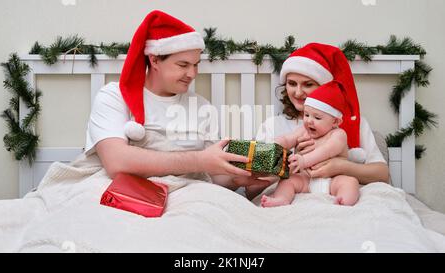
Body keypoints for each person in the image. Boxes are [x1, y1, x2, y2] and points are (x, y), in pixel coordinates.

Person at [85, 10, 256, 189]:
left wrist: (237, 179)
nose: (192, 74)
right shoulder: (113, 96)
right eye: (183, 65)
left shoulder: (201, 106)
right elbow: (117, 162)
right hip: (126, 189)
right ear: (154, 60)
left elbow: (212, 175)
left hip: (188, 192)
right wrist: (199, 160)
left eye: (196, 65)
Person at [246, 43, 390, 200]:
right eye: (292, 83)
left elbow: (382, 174)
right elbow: (251, 190)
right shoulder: (273, 125)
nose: (298, 92)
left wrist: (340, 167)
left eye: (308, 84)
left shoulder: (354, 123)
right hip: (295, 194)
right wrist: (291, 162)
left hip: (336, 191)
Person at [261, 81, 360, 207]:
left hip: (333, 180)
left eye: (317, 118)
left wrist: (304, 161)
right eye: (306, 115)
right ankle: (282, 199)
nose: (309, 121)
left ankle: (343, 200)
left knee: (350, 182)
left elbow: (327, 150)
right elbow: (288, 139)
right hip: (306, 180)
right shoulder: (304, 130)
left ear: (335, 121)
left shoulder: (338, 135)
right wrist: (273, 145)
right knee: (287, 180)